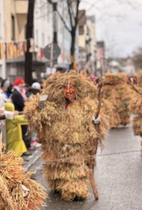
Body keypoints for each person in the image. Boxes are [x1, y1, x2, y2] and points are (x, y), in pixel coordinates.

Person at [24, 71, 109, 201]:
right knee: (57, 167)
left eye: (72, 87)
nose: (69, 91)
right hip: (55, 146)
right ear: (59, 90)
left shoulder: (84, 105)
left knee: (75, 168)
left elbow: (96, 118)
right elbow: (36, 115)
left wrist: (96, 120)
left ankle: (76, 190)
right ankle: (58, 185)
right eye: (65, 88)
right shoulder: (53, 106)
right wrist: (41, 100)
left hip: (77, 147)